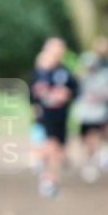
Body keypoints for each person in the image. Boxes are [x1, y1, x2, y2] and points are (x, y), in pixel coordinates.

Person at [30, 38, 79, 198]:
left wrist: (67, 94)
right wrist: (36, 106)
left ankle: (51, 178)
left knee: (58, 150)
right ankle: (49, 181)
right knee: (51, 146)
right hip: (45, 117)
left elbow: (76, 90)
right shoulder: (39, 71)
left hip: (61, 117)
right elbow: (32, 94)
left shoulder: (65, 72)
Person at [76, 36, 108, 183]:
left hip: (100, 112)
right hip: (86, 112)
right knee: (87, 139)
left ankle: (101, 158)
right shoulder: (83, 74)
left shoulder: (105, 73)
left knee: (100, 135)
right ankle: (90, 162)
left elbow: (107, 92)